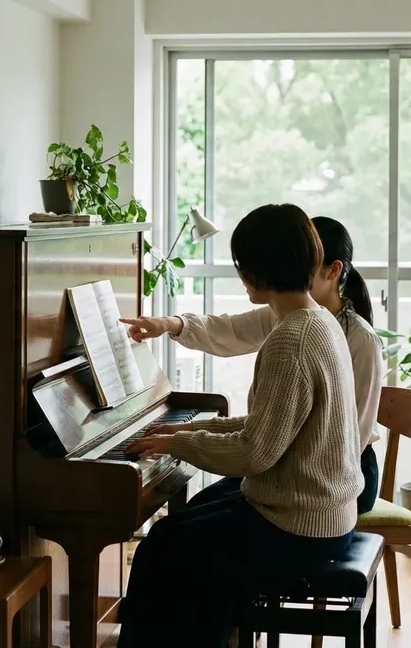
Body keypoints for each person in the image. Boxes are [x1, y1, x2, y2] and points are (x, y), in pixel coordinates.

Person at [116, 204, 363, 648]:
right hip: (321, 514)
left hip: (301, 529)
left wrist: (180, 443)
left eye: (241, 266)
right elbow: (271, 424)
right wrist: (183, 434)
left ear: (257, 271)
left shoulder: (291, 339)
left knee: (160, 549)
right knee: (176, 533)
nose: (240, 276)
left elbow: (254, 453)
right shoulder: (318, 320)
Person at [121, 215, 385, 515]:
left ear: (333, 270)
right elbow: (230, 330)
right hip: (289, 463)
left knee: (186, 524)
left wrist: (188, 441)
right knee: (201, 506)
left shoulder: (354, 337)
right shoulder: (296, 317)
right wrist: (170, 323)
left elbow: (349, 437)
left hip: (335, 476)